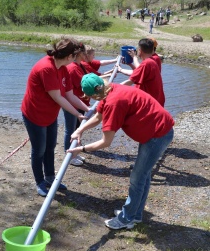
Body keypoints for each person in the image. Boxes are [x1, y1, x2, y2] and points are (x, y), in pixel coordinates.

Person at [67, 73, 174, 229]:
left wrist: (81, 149)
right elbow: (98, 116)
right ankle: (135, 214)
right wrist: (80, 130)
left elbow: (106, 142)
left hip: (158, 135)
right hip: (153, 132)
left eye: (90, 96)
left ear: (95, 94)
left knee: (138, 178)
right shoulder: (111, 89)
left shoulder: (113, 103)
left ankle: (126, 219)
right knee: (142, 175)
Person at [21, 38, 90, 197]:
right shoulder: (47, 68)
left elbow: (69, 95)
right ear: (69, 57)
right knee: (39, 150)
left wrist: (87, 109)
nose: (75, 59)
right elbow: (59, 98)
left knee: (50, 146)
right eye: (75, 56)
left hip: (50, 115)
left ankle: (51, 178)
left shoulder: (63, 68)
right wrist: (78, 114)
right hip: (35, 114)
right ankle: (40, 182)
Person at [117, 38, 165, 107]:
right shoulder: (151, 62)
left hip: (149, 104)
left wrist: (111, 89)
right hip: (153, 101)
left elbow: (130, 81)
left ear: (140, 50)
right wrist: (128, 65)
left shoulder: (149, 62)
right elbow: (139, 72)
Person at [64, 43, 90, 166]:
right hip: (72, 104)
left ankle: (74, 153)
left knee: (77, 129)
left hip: (80, 103)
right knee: (71, 129)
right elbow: (83, 85)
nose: (87, 55)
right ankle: (69, 156)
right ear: (79, 54)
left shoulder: (79, 66)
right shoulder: (73, 68)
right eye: (85, 53)